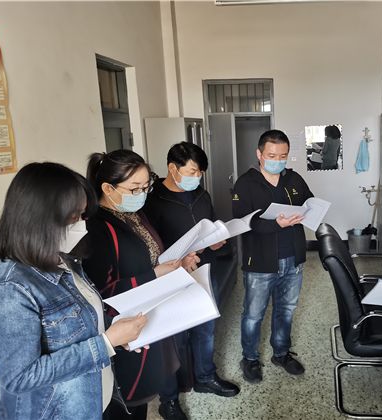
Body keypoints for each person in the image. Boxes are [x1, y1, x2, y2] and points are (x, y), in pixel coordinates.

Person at [0, 162, 147, 419]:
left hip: (94, 399)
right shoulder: (7, 290)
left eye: (83, 215)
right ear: (39, 218)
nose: (82, 225)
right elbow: (20, 378)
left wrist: (117, 330)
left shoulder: (64, 260)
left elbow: (80, 321)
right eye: (74, 217)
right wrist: (106, 343)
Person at [82, 150, 199, 420]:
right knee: (127, 403)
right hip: (123, 332)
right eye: (135, 188)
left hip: (148, 317)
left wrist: (177, 264)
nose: (143, 194)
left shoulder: (134, 214)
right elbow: (100, 292)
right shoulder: (98, 228)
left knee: (144, 396)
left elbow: (149, 257)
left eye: (146, 186)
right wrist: (154, 275)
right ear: (108, 188)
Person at [144, 142, 240, 411]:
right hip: (170, 278)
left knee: (205, 328)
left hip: (202, 270)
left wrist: (216, 241)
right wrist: (177, 260)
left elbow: (211, 224)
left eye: (200, 173)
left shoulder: (201, 195)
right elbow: (150, 246)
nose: (197, 178)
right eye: (192, 172)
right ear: (172, 169)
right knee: (173, 338)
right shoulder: (152, 201)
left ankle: (206, 377)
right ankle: (169, 399)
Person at [232, 129, 313, 383]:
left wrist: (311, 209)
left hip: (293, 259)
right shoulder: (245, 184)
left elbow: (308, 201)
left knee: (286, 310)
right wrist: (275, 224)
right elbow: (242, 223)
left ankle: (281, 353)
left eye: (283, 156)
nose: (278, 161)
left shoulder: (294, 179)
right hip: (260, 262)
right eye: (272, 156)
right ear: (259, 154)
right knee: (253, 314)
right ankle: (250, 358)